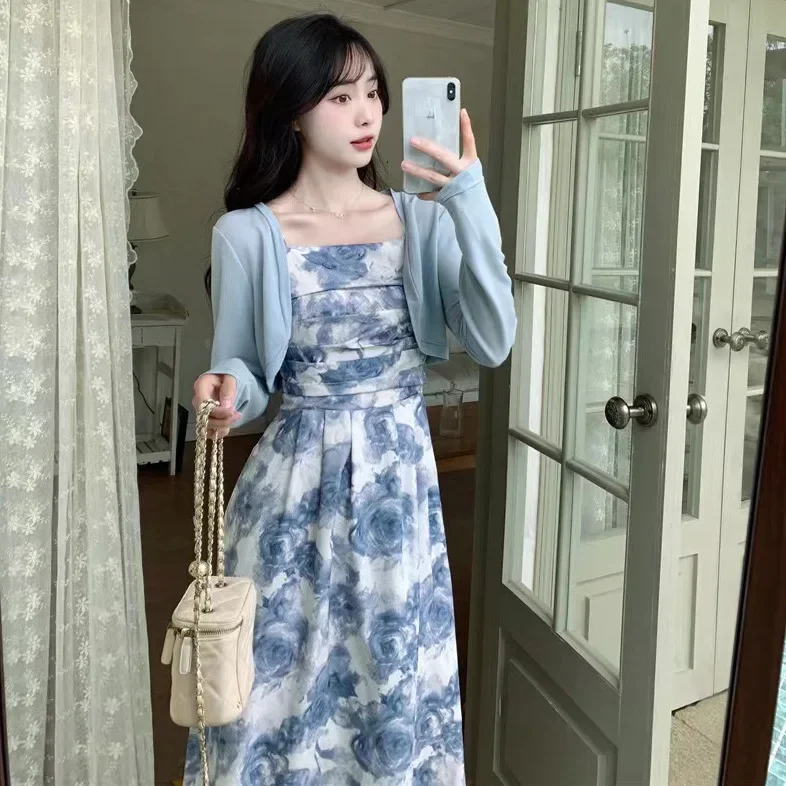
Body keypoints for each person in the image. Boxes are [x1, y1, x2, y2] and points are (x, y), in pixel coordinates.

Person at [187, 12, 516, 785]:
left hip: (397, 493)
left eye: (373, 92)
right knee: (278, 696)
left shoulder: (422, 221)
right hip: (290, 494)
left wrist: (469, 198)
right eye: (340, 97)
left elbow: (494, 340)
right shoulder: (246, 234)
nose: (366, 113)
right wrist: (225, 391)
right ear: (291, 111)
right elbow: (247, 373)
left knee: (387, 686)